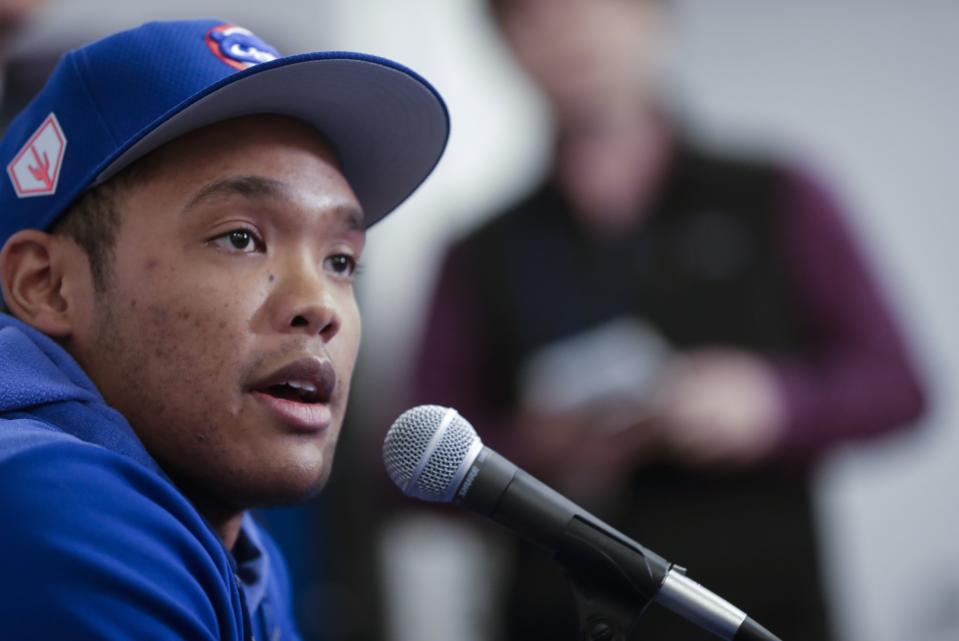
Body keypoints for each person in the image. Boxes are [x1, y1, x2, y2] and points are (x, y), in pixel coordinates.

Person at [411, 0, 925, 639]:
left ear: (657, 18)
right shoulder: (477, 250)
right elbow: (404, 467)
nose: (575, 31)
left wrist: (774, 402)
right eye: (537, 15)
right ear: (504, 42)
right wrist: (537, 452)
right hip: (556, 617)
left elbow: (900, 385)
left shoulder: (779, 194)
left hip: (762, 610)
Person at [0, 19, 448, 641]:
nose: (320, 305)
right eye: (240, 238)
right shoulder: (50, 501)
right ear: (45, 285)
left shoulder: (242, 548)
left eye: (340, 261)